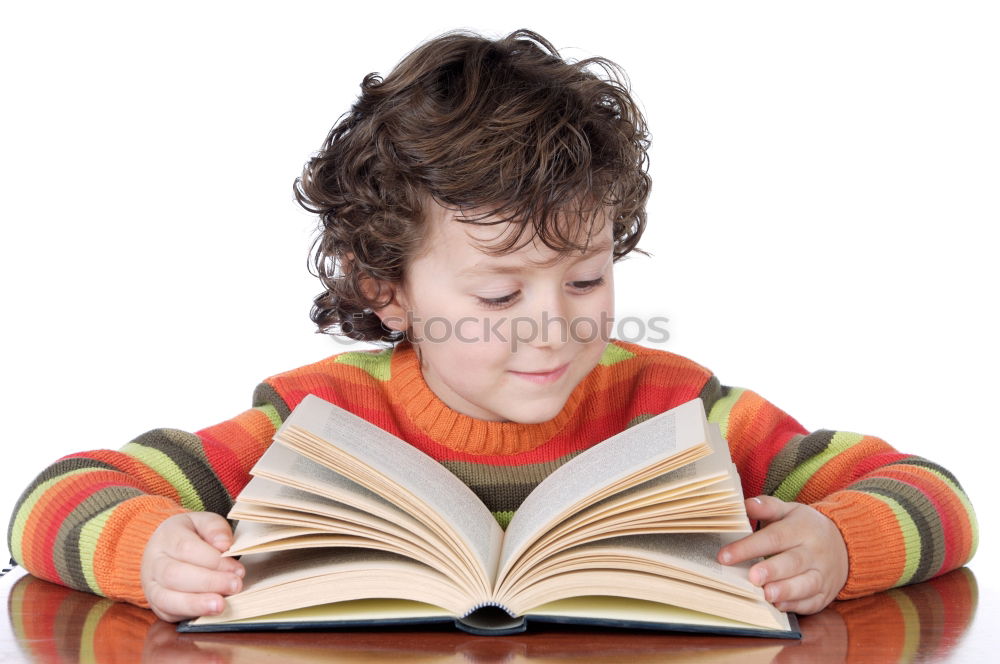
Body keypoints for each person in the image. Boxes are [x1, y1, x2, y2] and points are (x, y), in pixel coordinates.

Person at [7, 28, 977, 624]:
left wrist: (845, 544)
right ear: (387, 287)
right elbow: (48, 500)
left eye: (587, 277)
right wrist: (143, 550)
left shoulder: (676, 404)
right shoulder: (316, 413)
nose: (550, 329)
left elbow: (936, 497)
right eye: (498, 297)